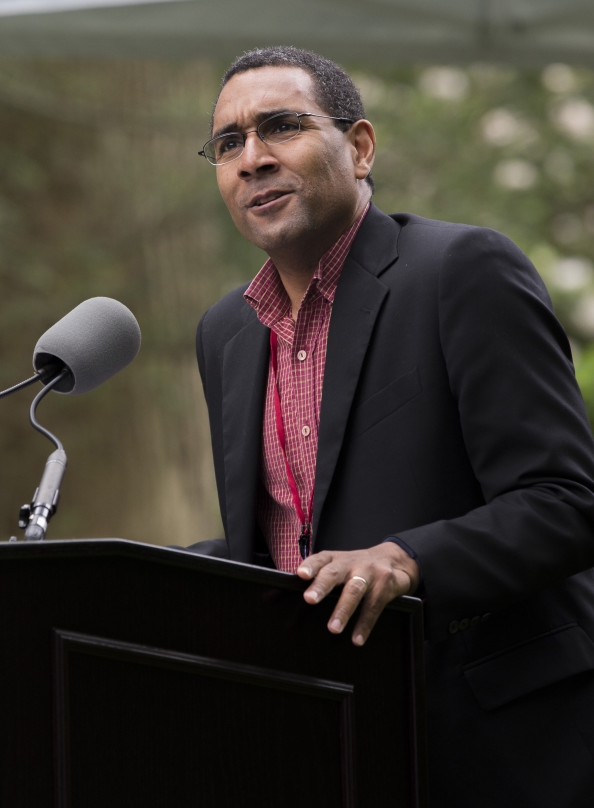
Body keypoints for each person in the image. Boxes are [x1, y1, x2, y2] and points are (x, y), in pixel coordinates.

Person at [189, 46, 594, 806]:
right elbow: (281, 546)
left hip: (499, 747)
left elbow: (565, 499)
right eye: (228, 143)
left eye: (281, 126)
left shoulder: (462, 271)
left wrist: (409, 558)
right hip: (326, 743)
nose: (252, 158)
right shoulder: (226, 334)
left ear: (361, 147)